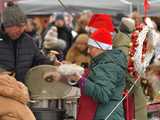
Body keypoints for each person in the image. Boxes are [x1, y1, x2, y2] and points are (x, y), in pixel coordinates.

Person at [51, 29, 127, 120]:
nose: (88, 51)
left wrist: (80, 80)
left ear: (99, 48)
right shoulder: (104, 63)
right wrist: (70, 76)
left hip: (107, 116)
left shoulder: (107, 66)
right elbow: (94, 81)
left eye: (91, 47)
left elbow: (103, 95)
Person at [0, 2, 53, 83]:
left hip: (23, 88)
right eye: (18, 26)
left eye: (23, 26)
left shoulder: (28, 40)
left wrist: (52, 62)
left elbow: (39, 59)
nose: (21, 29)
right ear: (7, 26)